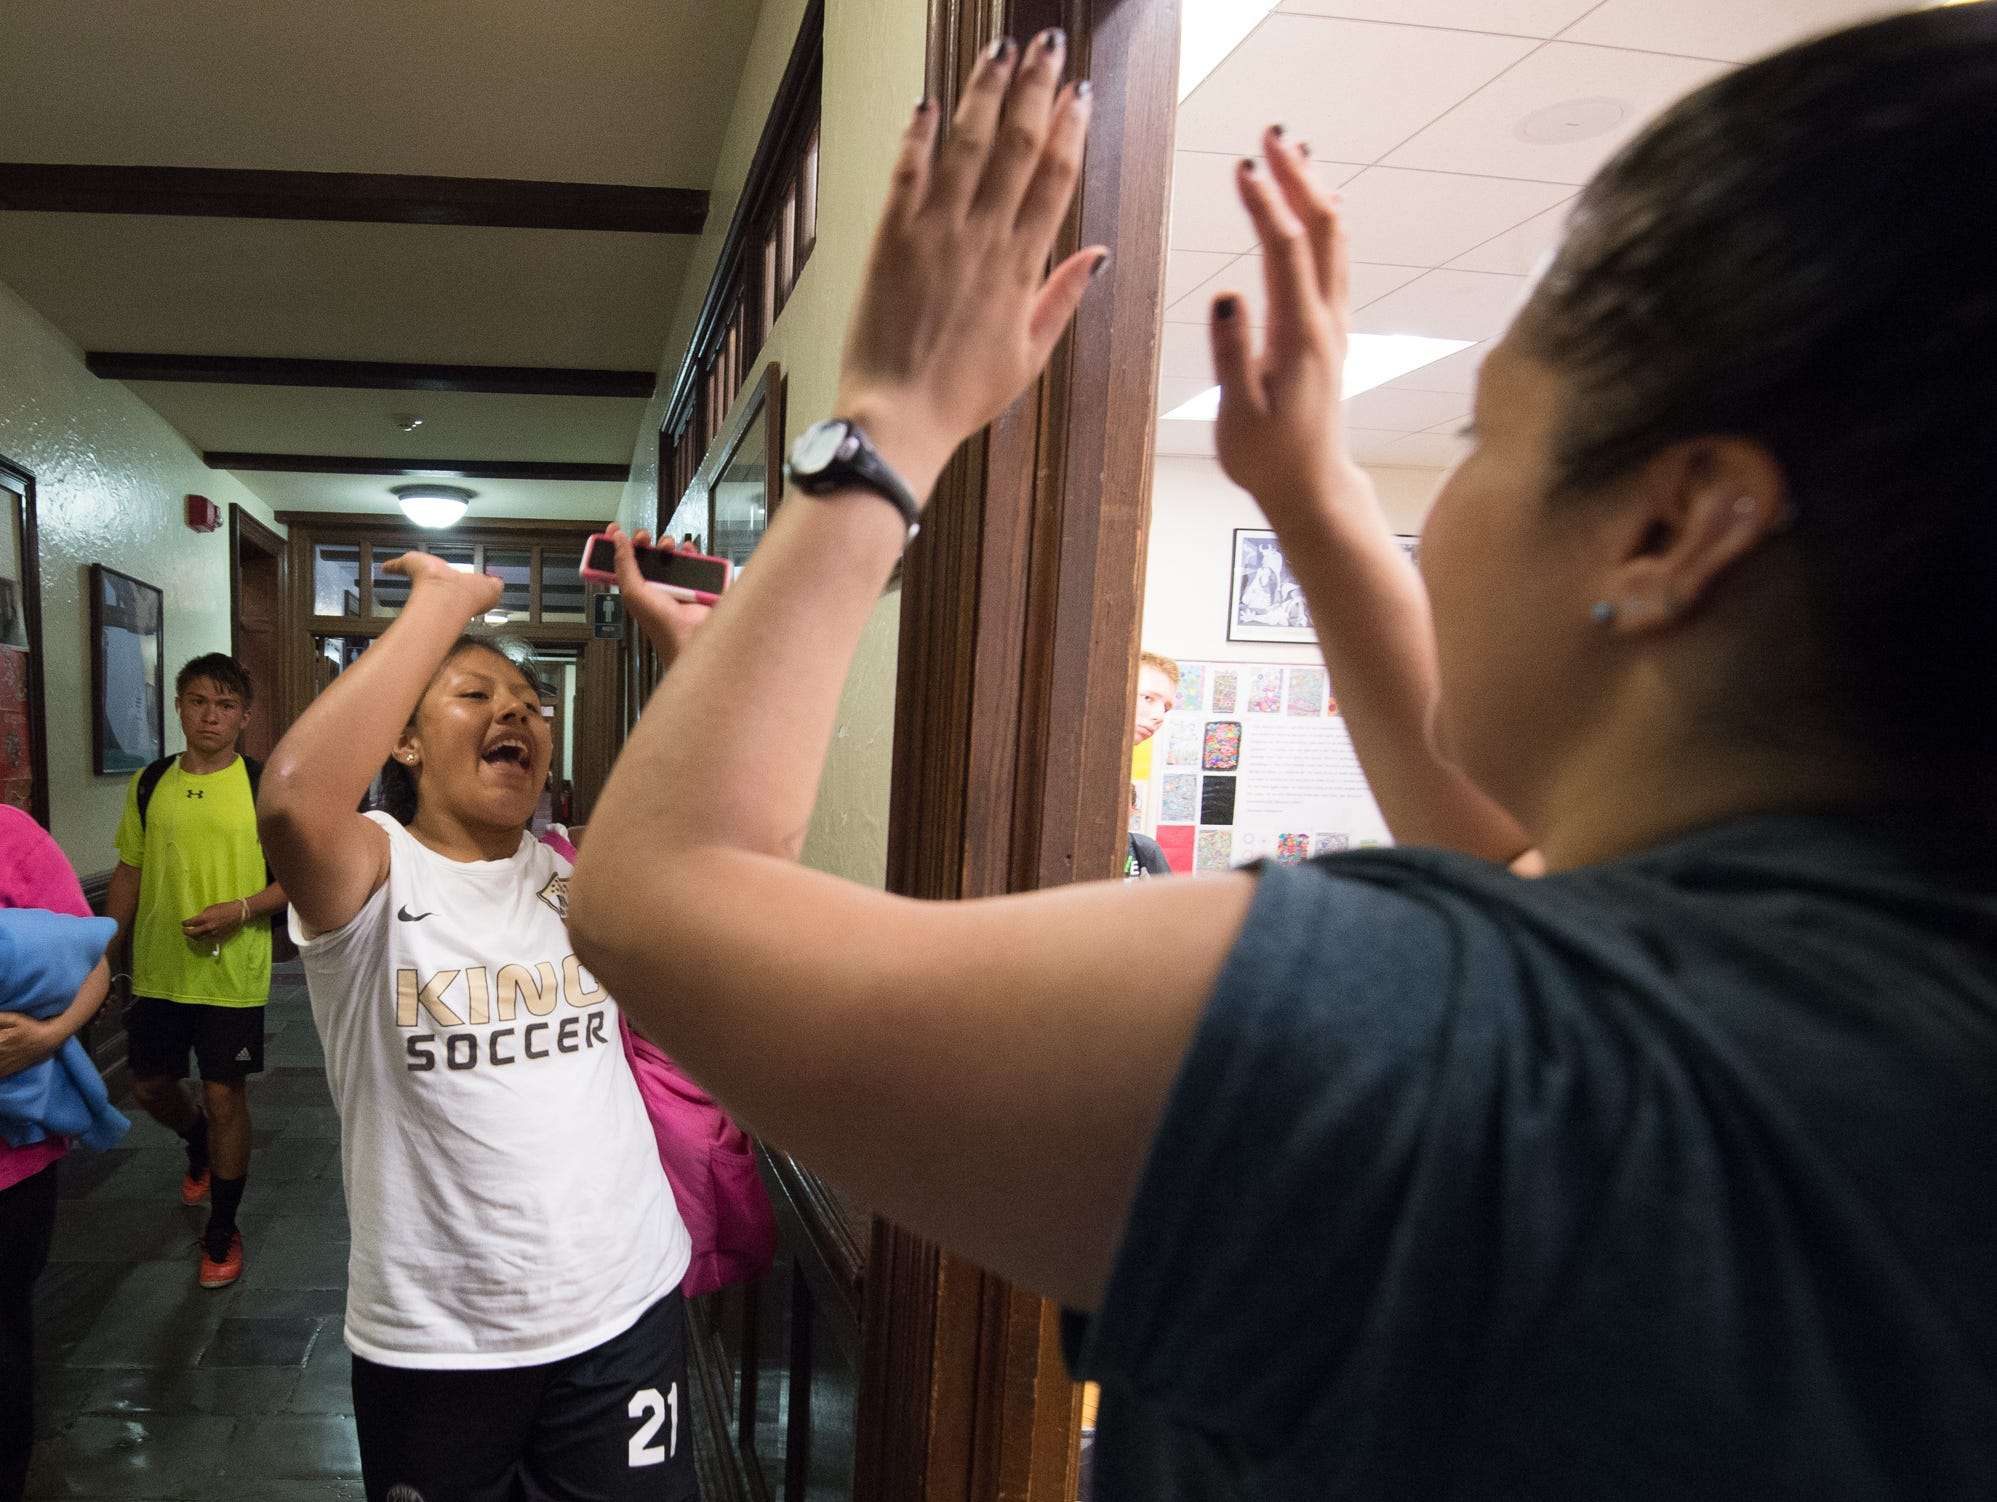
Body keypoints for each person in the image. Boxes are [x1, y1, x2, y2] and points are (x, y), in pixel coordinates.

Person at [573, 13, 1997, 1497]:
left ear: (1668, 529)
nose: (1429, 517)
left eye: (1476, 434)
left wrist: (887, 430)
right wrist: (1311, 498)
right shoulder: (1877, 1017)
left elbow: (659, 898)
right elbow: (1493, 841)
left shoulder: (1439, 1053)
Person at [256, 596, 693, 1502]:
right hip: (436, 1336)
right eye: (473, 693)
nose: (515, 711)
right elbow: (295, 802)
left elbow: (721, 850)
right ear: (405, 744)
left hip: (623, 1303)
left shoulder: (577, 872)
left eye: (530, 700)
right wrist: (442, 605)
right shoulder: (374, 870)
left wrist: (692, 654)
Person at [105, 653, 284, 1289]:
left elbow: (297, 879)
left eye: (226, 705)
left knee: (223, 1090)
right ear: (178, 708)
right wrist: (105, 950)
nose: (211, 715)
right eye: (198, 702)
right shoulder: (150, 782)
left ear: (245, 716)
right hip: (157, 968)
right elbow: (129, 869)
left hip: (233, 972)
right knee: (151, 1086)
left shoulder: (266, 785)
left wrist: (241, 909)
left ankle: (221, 1229)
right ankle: (197, 1143)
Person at [0, 807, 112, 1502]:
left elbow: (92, 962)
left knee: (5, 1329)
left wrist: (49, 1037)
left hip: (11, 1161)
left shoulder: (12, 834)